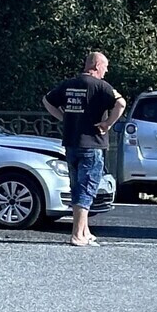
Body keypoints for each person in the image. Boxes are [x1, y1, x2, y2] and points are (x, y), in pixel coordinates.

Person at [43, 51, 126, 247]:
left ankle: (85, 231)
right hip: (92, 144)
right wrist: (108, 123)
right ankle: (77, 234)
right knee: (87, 189)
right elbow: (121, 103)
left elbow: (47, 100)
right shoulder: (101, 86)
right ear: (96, 66)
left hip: (71, 143)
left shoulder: (69, 84)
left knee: (76, 186)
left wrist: (63, 117)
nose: (106, 71)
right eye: (105, 67)